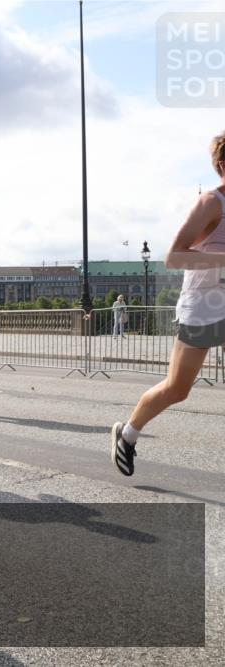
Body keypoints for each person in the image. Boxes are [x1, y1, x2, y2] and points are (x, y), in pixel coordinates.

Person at [111, 131, 225, 476]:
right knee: (178, 389)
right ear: (223, 166)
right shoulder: (211, 203)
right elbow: (173, 257)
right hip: (204, 307)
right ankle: (127, 434)